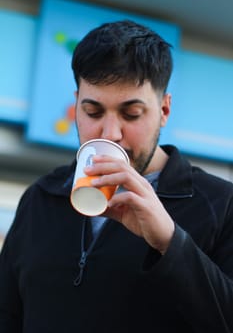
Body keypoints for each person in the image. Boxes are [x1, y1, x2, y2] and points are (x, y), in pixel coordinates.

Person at [0, 20, 233, 333]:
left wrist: (170, 241)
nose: (110, 134)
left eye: (131, 114)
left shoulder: (220, 204)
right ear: (77, 105)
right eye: (93, 112)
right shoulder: (41, 197)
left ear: (164, 110)